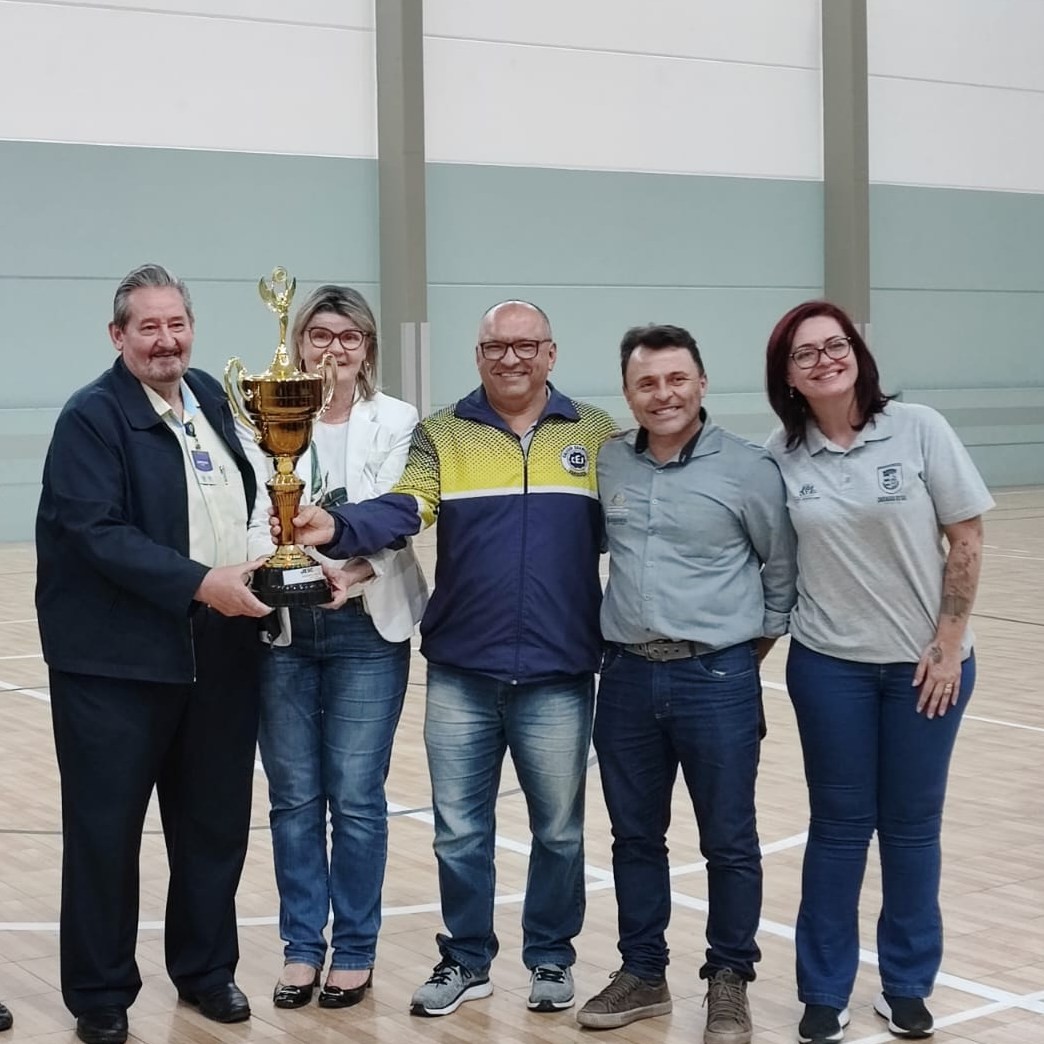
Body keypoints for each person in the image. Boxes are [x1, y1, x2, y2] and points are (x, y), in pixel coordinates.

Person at [280, 301, 617, 1017]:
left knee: (558, 830)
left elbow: (644, 527)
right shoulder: (443, 433)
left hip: (560, 670)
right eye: (496, 346)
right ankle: (467, 959)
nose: (512, 358)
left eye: (527, 346)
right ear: (478, 355)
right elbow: (407, 507)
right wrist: (339, 527)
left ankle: (551, 957)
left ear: (551, 354)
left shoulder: (596, 434)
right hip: (464, 667)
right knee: (460, 832)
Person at [36, 264, 272, 1044]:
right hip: (116, 666)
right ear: (118, 336)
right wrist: (204, 582)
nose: (166, 341)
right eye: (149, 327)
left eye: (177, 324)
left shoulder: (209, 392)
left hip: (221, 652)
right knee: (105, 833)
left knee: (213, 827)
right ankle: (100, 995)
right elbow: (99, 536)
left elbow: (249, 490)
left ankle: (207, 972)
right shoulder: (91, 418)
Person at [763, 301, 993, 1044]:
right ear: (789, 378)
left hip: (928, 667)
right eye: (806, 354)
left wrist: (949, 642)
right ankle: (823, 993)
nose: (825, 359)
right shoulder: (779, 457)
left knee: (911, 828)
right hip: (830, 670)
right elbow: (773, 571)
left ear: (858, 353)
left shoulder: (919, 428)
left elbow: (966, 536)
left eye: (836, 345)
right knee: (837, 830)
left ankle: (907, 985)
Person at [577, 325, 797, 1044]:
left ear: (701, 383)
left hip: (718, 677)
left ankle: (729, 979)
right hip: (628, 677)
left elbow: (780, 573)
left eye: (676, 379)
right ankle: (642, 972)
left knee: (729, 840)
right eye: (647, 383)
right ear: (629, 394)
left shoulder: (749, 468)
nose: (663, 394)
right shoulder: (610, 462)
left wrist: (740, 657)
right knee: (635, 837)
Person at [240, 286, 428, 1010]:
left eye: (350, 337)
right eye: (320, 334)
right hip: (284, 628)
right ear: (299, 343)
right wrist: (292, 576)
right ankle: (299, 949)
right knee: (292, 798)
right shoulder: (261, 416)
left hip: (367, 622)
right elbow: (256, 514)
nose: (334, 349)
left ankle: (353, 950)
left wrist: (348, 572)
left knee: (354, 797)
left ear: (368, 348)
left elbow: (398, 513)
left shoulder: (399, 420)